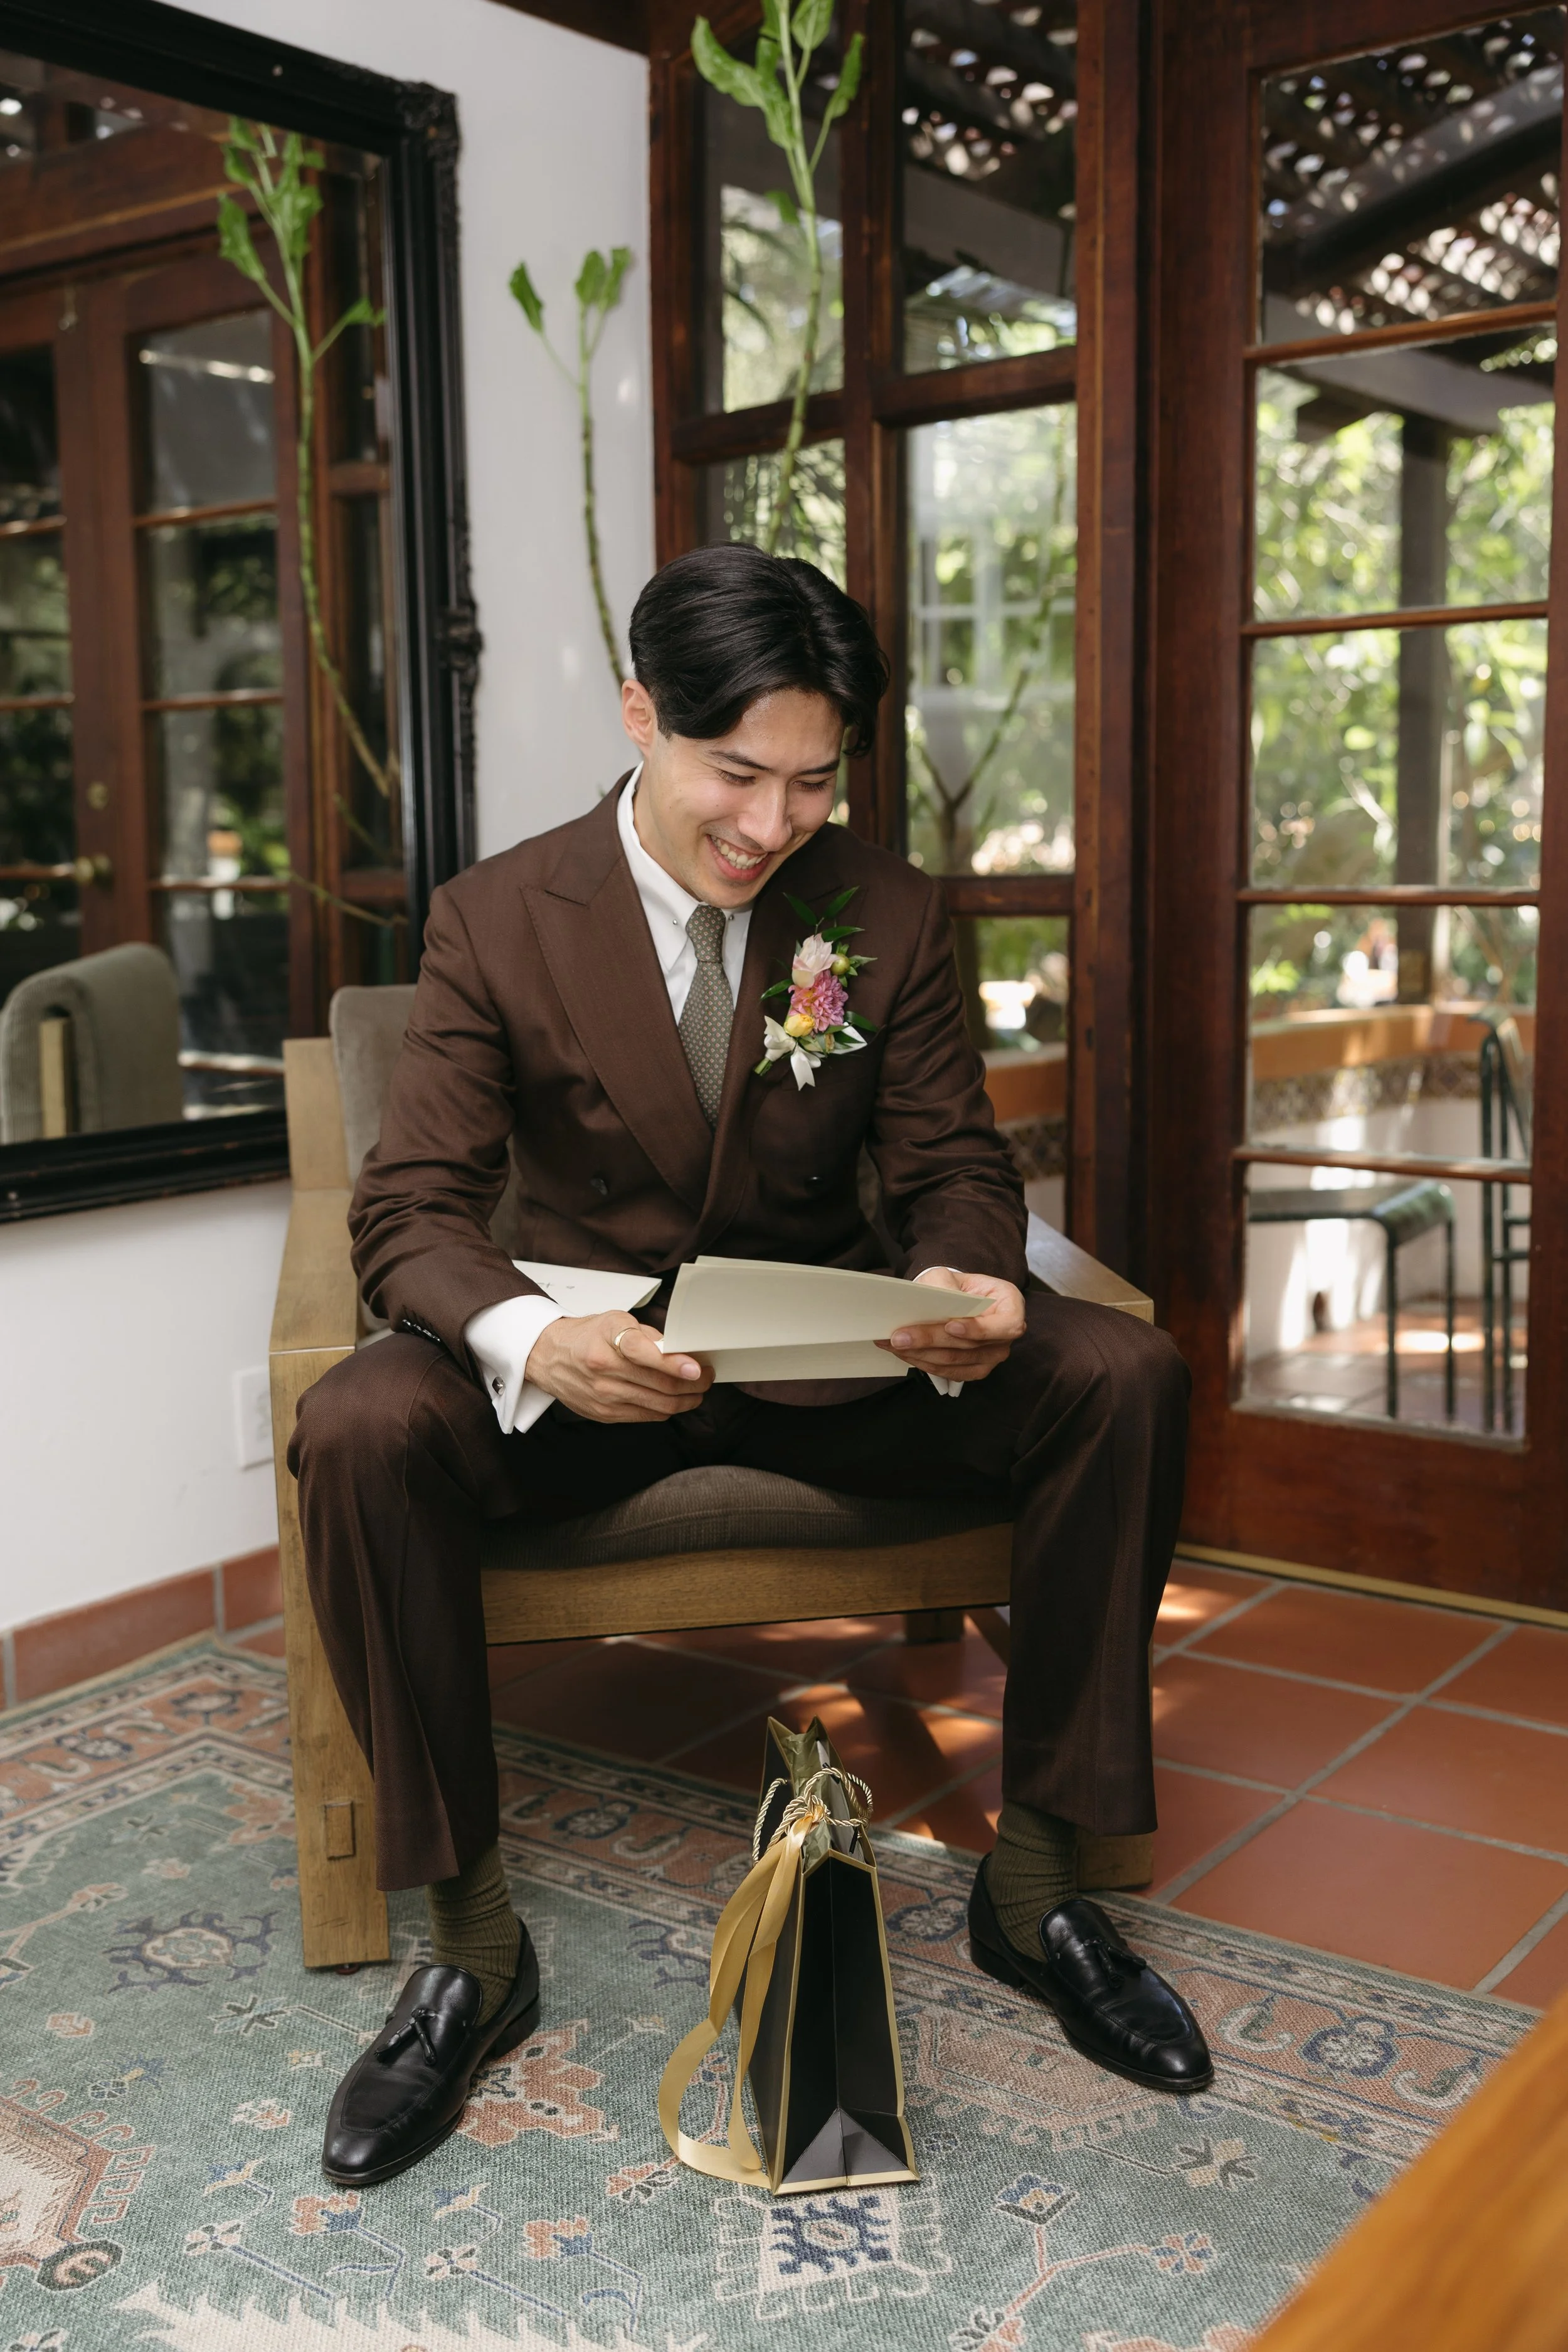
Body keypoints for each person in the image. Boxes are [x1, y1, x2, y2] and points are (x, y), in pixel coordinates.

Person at [291, 543, 1210, 2190]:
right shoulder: (495, 917)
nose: (772, 825)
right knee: (359, 1419)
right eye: (735, 773)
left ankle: (1038, 1884)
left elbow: (953, 1164)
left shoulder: (885, 912)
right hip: (587, 1388)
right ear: (643, 714)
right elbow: (412, 1209)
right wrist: (539, 1339)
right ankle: (468, 1945)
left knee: (1119, 1372)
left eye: (809, 780)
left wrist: (965, 1276)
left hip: (823, 1363)